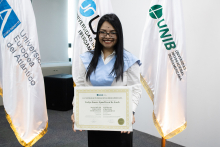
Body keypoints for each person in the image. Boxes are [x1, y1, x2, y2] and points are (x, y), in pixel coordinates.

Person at [71, 13, 142, 147]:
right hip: (94, 120)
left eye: (112, 32)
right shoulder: (87, 59)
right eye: (103, 32)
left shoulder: (129, 60)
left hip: (120, 122)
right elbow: (80, 87)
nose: (107, 36)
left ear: (118, 34)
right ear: (97, 34)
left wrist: (130, 112)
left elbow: (136, 89)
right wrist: (77, 111)